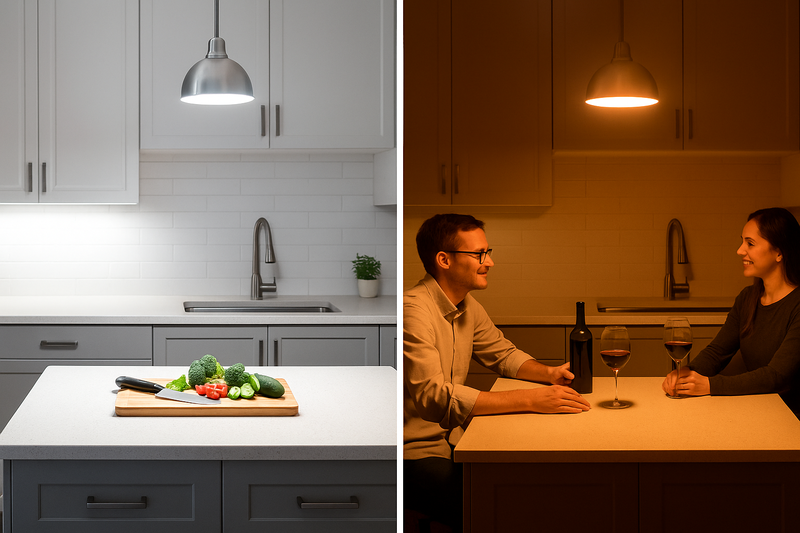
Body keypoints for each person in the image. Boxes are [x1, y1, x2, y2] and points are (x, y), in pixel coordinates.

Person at [404, 213, 590, 530]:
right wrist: (531, 400)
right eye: (480, 254)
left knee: (527, 487)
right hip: (414, 454)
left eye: (487, 253)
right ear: (444, 259)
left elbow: (503, 354)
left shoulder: (467, 305)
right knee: (504, 505)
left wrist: (550, 374)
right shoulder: (414, 311)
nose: (489, 262)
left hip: (457, 441)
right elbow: (435, 399)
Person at [662, 207, 800, 417]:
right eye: (742, 242)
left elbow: (777, 375)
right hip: (761, 411)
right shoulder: (747, 298)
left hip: (792, 419)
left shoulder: (797, 305)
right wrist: (688, 373)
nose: (740, 250)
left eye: (750, 243)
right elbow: (718, 352)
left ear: (779, 252)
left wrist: (710, 385)